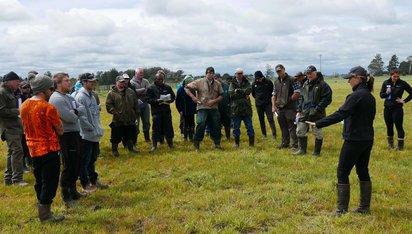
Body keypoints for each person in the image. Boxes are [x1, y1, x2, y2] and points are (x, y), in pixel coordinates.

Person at [306, 66, 376, 216]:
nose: (348, 82)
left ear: (358, 78)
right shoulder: (369, 96)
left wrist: (319, 123)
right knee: (362, 170)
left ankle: (341, 210)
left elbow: (340, 114)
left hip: (354, 140)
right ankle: (364, 207)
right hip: (367, 139)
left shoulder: (356, 96)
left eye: (350, 78)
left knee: (342, 171)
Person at [20, 74, 64, 223]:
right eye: (50, 89)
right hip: (49, 149)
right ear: (44, 89)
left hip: (32, 148)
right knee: (50, 181)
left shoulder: (24, 105)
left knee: (39, 180)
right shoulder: (48, 107)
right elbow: (60, 130)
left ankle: (41, 206)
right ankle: (45, 215)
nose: (51, 92)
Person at [49, 72, 84, 207]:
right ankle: (66, 195)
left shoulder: (68, 97)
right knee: (69, 164)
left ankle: (73, 190)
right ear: (58, 84)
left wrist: (74, 111)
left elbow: (82, 109)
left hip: (75, 133)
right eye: (66, 81)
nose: (69, 83)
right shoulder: (56, 99)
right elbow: (69, 118)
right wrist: (75, 113)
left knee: (76, 163)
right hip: (66, 135)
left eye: (69, 80)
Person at [75, 73, 108, 192]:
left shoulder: (92, 96)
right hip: (86, 134)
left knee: (93, 158)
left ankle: (93, 179)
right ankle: (85, 183)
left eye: (94, 81)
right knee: (85, 160)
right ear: (84, 82)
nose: (93, 83)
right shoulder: (80, 97)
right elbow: (82, 117)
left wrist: (97, 129)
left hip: (94, 133)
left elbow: (95, 114)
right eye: (90, 81)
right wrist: (91, 128)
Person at [295, 65, 332, 156]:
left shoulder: (323, 84)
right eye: (307, 73)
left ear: (315, 72)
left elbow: (327, 98)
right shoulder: (305, 84)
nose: (309, 75)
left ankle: (316, 152)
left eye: (311, 73)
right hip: (305, 112)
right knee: (300, 131)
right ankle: (302, 150)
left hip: (317, 114)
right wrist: (299, 110)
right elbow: (301, 98)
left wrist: (317, 109)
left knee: (317, 133)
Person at [185, 67, 224, 150]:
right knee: (201, 124)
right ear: (206, 73)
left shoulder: (217, 83)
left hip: (214, 108)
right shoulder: (199, 82)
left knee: (216, 125)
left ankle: (217, 144)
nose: (211, 74)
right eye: (209, 73)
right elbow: (186, 88)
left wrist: (214, 101)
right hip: (202, 107)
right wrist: (193, 97)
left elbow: (222, 96)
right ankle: (197, 144)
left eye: (212, 73)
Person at [0, 71, 28, 186]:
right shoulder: (2, 93)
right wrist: (18, 111)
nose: (18, 83)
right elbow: (1, 111)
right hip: (8, 127)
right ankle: (17, 179)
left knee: (12, 152)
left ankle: (8, 179)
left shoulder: (11, 92)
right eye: (16, 81)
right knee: (17, 151)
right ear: (9, 81)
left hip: (15, 127)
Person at [106, 75, 139, 156]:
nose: (123, 83)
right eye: (121, 82)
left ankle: (131, 149)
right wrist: (115, 112)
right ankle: (115, 151)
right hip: (118, 119)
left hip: (130, 118)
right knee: (115, 137)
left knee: (130, 135)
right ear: (116, 82)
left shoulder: (131, 91)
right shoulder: (111, 93)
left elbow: (135, 103)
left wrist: (135, 114)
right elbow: (109, 105)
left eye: (124, 82)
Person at [379, 69, 412, 150]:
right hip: (387, 108)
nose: (396, 78)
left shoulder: (402, 83)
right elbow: (381, 95)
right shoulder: (386, 82)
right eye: (394, 76)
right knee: (389, 126)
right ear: (391, 75)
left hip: (397, 108)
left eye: (398, 76)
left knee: (399, 126)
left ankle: (400, 146)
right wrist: (386, 93)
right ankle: (390, 145)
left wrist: (404, 101)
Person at [146, 70, 176, 152]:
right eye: (159, 79)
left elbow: (173, 97)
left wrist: (169, 100)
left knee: (168, 128)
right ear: (155, 79)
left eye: (162, 79)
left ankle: (170, 144)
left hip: (166, 112)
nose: (161, 81)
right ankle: (154, 146)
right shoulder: (151, 88)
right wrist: (157, 100)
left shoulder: (167, 87)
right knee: (156, 129)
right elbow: (148, 99)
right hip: (156, 112)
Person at [272, 64, 300, 150]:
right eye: (277, 71)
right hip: (280, 108)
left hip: (290, 108)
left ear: (284, 69)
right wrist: (273, 106)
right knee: (283, 126)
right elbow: (274, 95)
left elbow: (297, 92)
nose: (279, 72)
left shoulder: (292, 80)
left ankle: (294, 145)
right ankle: (285, 143)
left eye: (280, 70)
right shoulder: (276, 82)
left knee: (292, 126)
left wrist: (289, 100)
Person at [229, 68, 255, 147]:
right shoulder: (232, 83)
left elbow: (249, 91)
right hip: (236, 109)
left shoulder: (246, 82)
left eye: (241, 73)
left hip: (246, 108)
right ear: (235, 74)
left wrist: (238, 91)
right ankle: (237, 144)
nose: (240, 75)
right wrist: (243, 94)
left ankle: (251, 144)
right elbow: (231, 94)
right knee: (236, 127)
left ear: (243, 74)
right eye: (238, 73)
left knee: (249, 126)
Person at [252, 70, 276, 139]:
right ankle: (264, 135)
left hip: (268, 104)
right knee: (261, 119)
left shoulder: (268, 82)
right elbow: (253, 94)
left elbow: (272, 92)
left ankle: (274, 135)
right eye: (257, 78)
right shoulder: (254, 84)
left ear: (262, 77)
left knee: (270, 119)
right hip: (259, 105)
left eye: (259, 78)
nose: (258, 80)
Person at [129, 68, 151, 143]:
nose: (142, 74)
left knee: (146, 121)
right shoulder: (131, 82)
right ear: (136, 73)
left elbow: (149, 90)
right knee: (136, 122)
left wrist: (139, 91)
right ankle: (135, 140)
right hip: (136, 105)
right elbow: (133, 92)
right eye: (140, 73)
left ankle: (147, 138)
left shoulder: (146, 81)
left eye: (142, 73)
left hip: (145, 103)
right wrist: (143, 89)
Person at [16, 80, 33, 172]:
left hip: (30, 123)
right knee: (22, 145)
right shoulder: (18, 98)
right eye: (24, 87)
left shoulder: (31, 97)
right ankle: (22, 165)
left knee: (28, 144)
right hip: (21, 124)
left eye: (28, 87)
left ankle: (29, 161)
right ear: (20, 88)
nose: (27, 89)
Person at [175, 75, 196, 142]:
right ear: (186, 82)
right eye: (189, 82)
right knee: (185, 124)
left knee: (192, 123)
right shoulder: (181, 90)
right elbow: (177, 101)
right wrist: (180, 110)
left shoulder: (193, 90)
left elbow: (194, 100)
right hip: (184, 110)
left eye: (191, 82)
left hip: (192, 110)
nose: (190, 83)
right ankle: (185, 137)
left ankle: (191, 136)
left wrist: (195, 108)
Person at [215, 73, 231, 141]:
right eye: (215, 78)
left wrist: (229, 105)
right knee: (217, 124)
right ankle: (219, 137)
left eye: (217, 78)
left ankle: (228, 137)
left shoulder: (226, 86)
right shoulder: (214, 87)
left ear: (220, 78)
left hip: (226, 108)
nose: (217, 80)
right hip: (217, 108)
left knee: (227, 123)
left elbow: (230, 97)